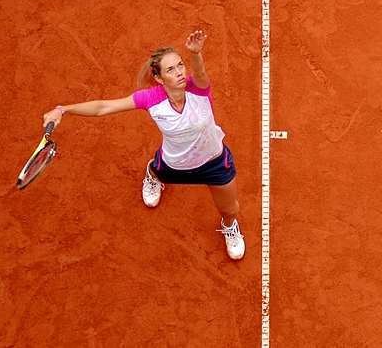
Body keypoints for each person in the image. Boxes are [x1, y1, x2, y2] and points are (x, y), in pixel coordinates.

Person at [42, 30, 245, 260]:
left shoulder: (197, 88)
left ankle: (229, 226)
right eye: (170, 70)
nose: (179, 73)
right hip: (175, 164)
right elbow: (103, 107)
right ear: (159, 78)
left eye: (180, 65)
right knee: (159, 169)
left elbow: (199, 71)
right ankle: (153, 174)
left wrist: (195, 54)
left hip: (214, 163)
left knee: (230, 209)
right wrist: (63, 109)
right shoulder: (151, 99)